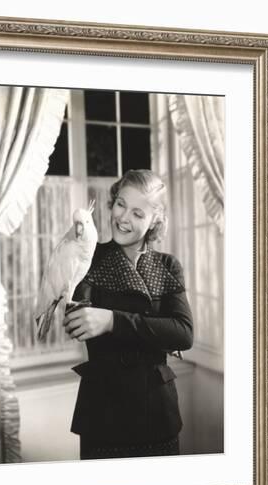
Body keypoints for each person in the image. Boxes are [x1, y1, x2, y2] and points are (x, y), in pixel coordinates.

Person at [63, 169, 193, 460]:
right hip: (104, 414)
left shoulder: (167, 265)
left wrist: (111, 320)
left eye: (138, 213)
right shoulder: (88, 257)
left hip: (157, 414)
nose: (123, 218)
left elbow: (183, 333)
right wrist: (157, 333)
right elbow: (77, 323)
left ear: (154, 221)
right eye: (121, 204)